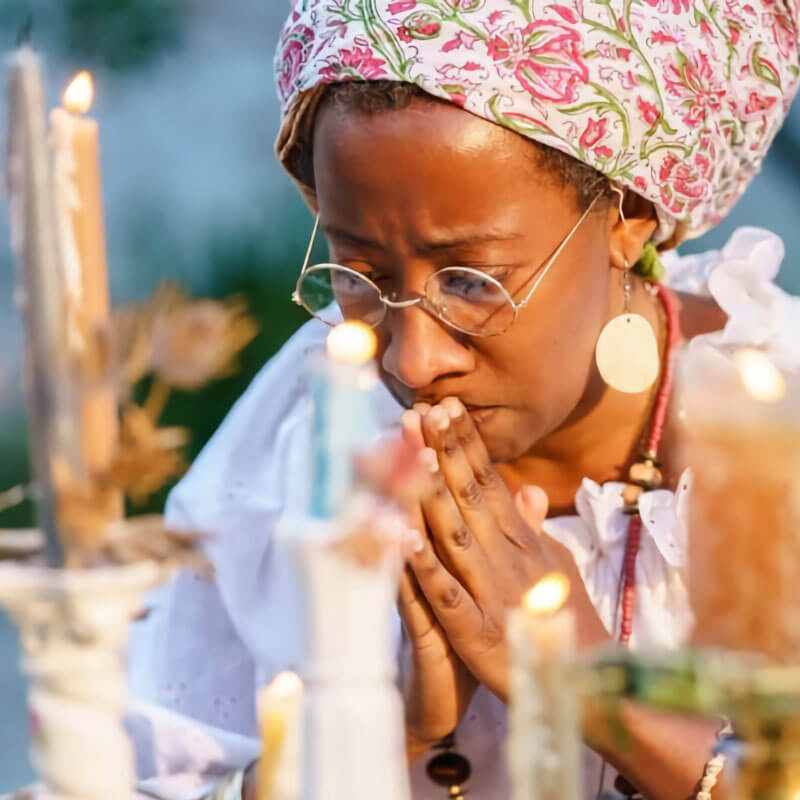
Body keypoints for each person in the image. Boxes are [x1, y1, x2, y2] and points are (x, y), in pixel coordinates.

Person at [127, 1, 800, 799]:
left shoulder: (769, 425)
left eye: (474, 282)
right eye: (361, 277)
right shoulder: (312, 431)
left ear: (632, 215)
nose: (414, 361)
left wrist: (594, 691)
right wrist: (379, 733)